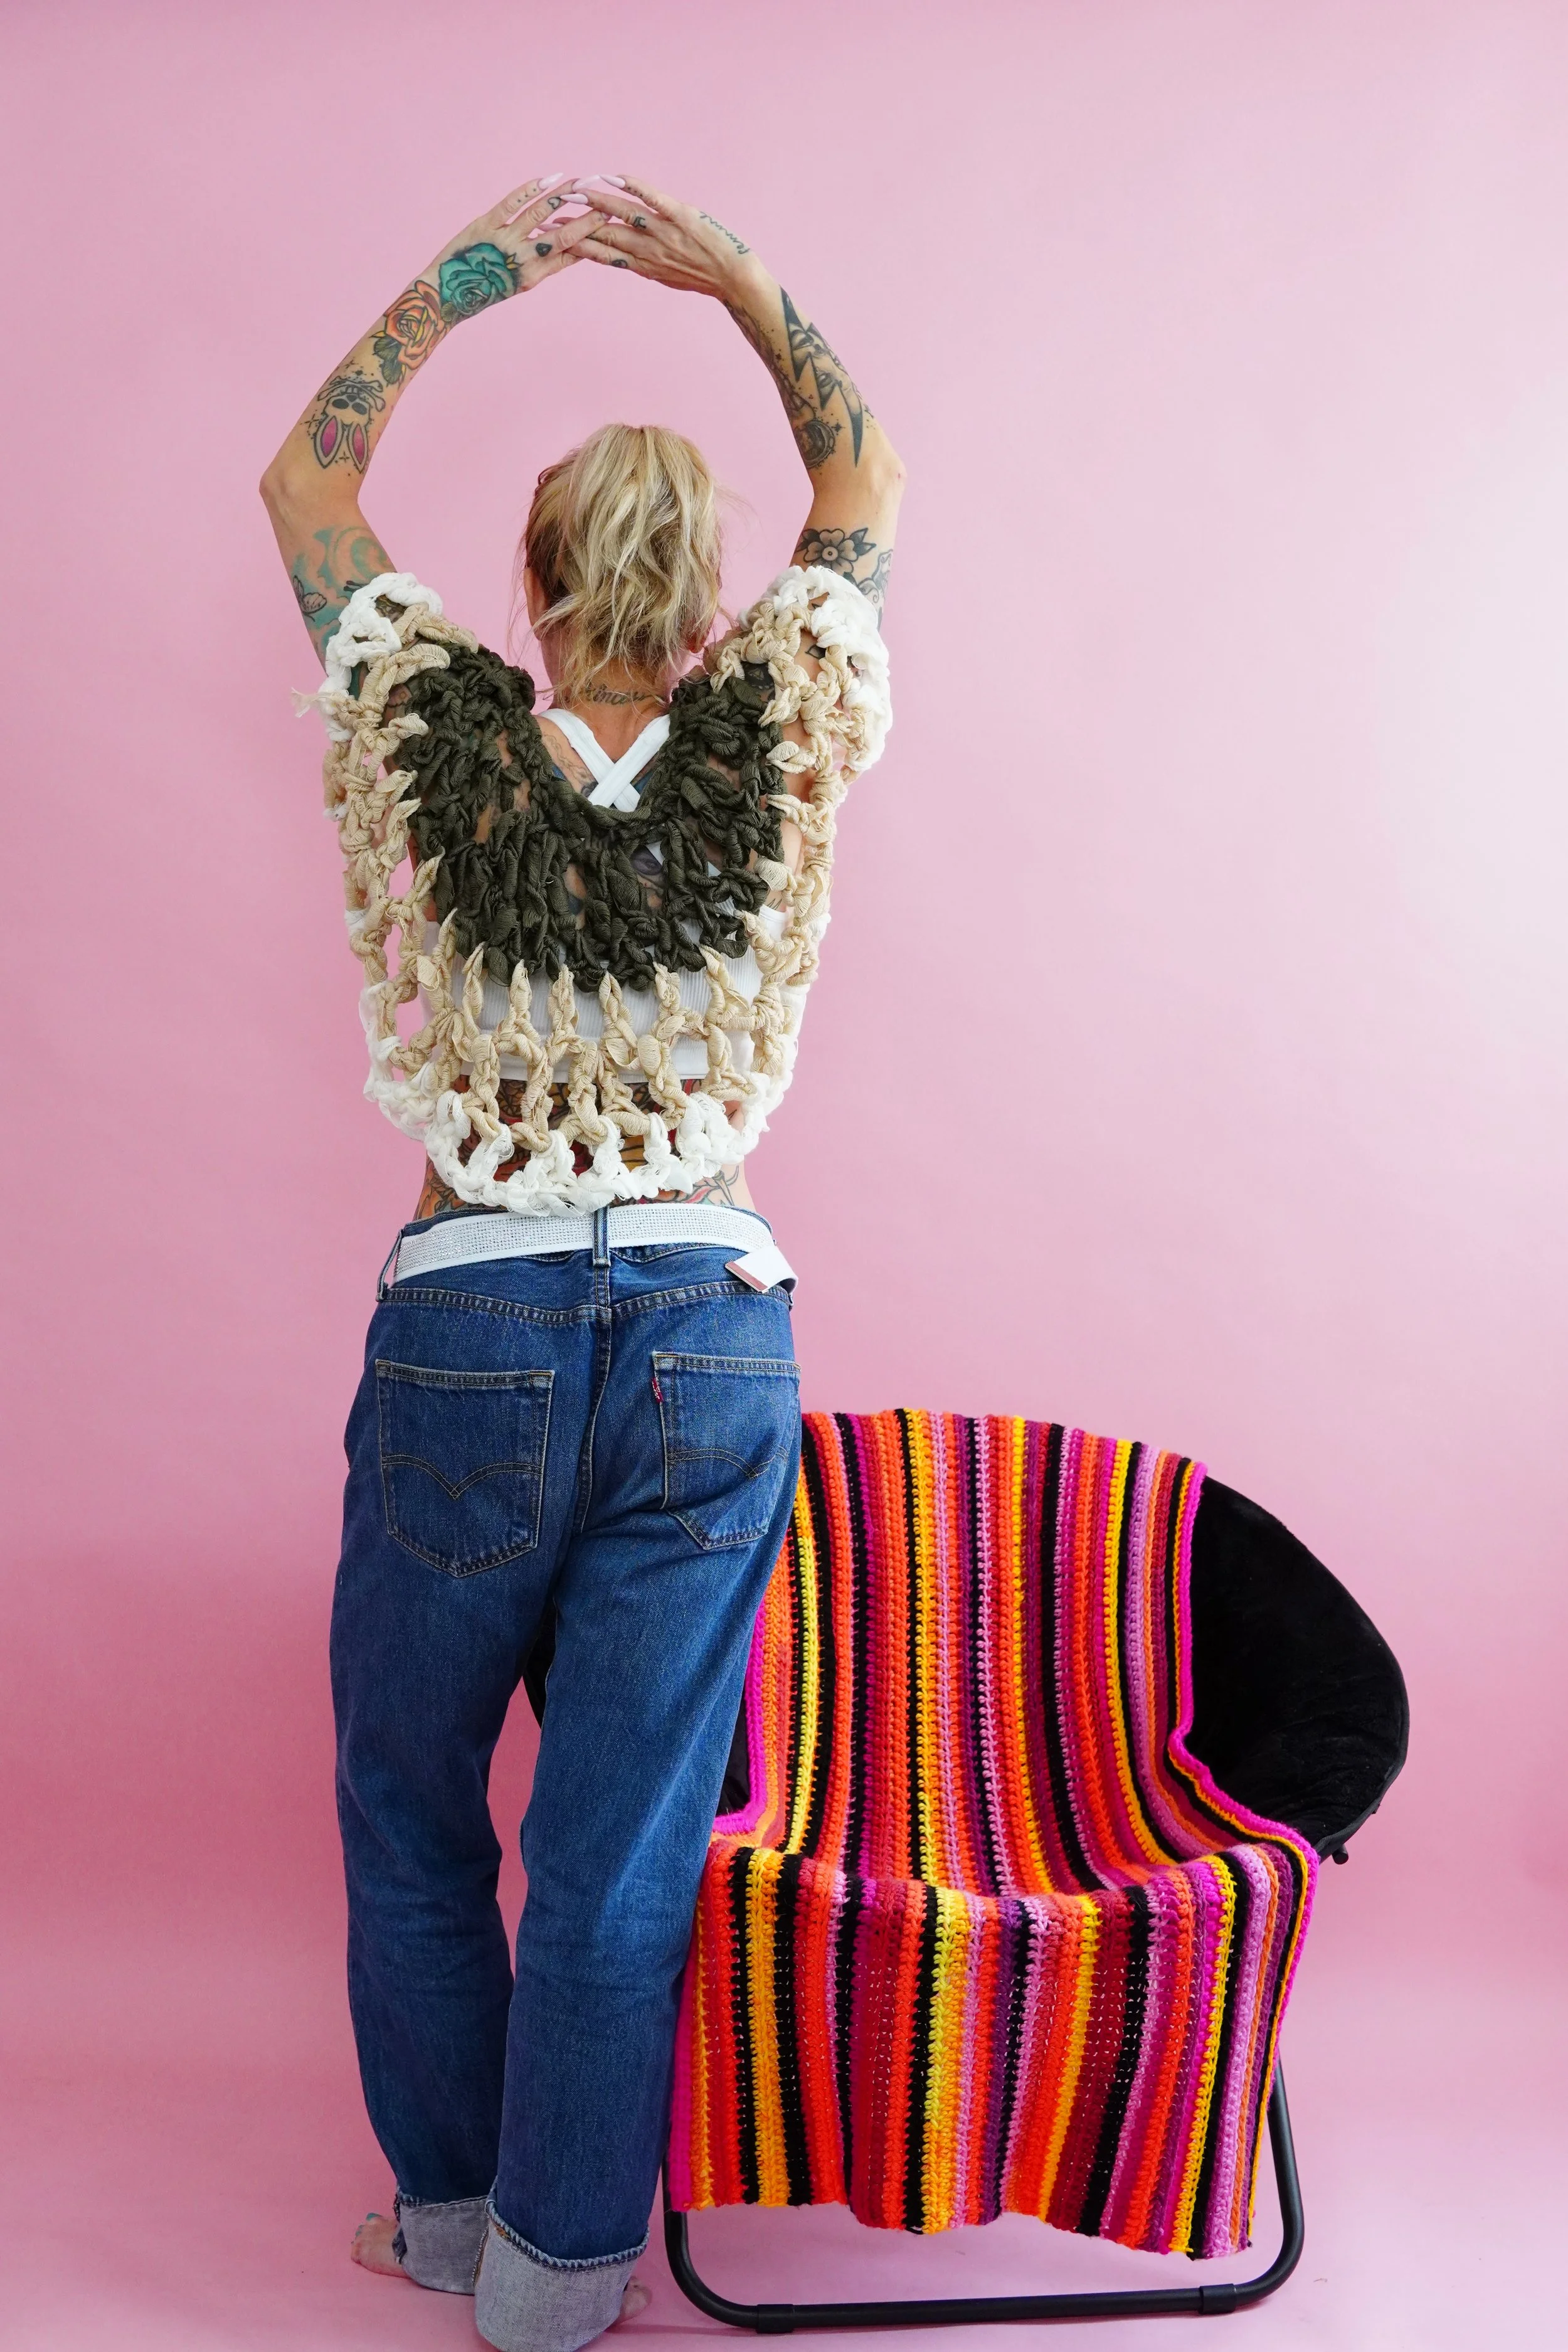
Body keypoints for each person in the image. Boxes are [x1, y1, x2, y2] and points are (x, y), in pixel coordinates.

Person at [260, 172, 902, 2352]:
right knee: (621, 1845)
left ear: (531, 583)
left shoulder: (427, 728)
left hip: (476, 1318)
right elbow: (862, 477)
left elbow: (307, 482)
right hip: (713, 1334)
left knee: (410, 1797)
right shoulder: (775, 737)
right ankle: (553, 2285)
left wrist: (464, 282)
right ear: (708, 592)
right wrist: (738, 280)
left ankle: (452, 2219)